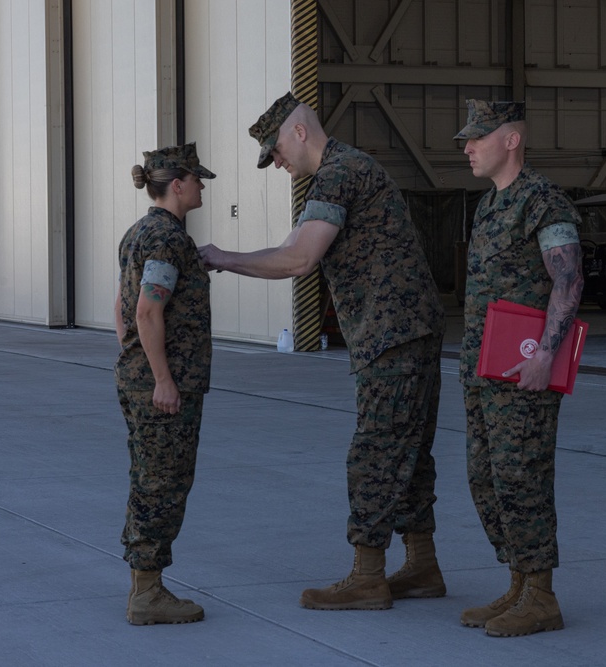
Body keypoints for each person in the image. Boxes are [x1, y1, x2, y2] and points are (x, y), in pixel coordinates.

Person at [198, 92, 446, 611]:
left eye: (277, 151)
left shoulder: (339, 172)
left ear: (300, 131)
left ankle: (368, 576)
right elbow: (292, 246)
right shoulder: (346, 170)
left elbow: (298, 259)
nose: (278, 163)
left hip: (391, 334)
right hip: (407, 330)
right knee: (408, 453)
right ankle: (421, 566)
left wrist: (222, 256)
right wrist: (230, 259)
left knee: (374, 454)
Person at [455, 100, 584, 637]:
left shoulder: (541, 200)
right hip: (483, 370)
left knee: (522, 478)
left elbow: (569, 280)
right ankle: (517, 583)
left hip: (522, 370)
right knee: (486, 479)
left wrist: (545, 356)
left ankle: (542, 595)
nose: (467, 147)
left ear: (512, 139)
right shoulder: (490, 204)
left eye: (478, 138)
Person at [115, 142, 216, 625]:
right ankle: (148, 593)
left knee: (149, 479)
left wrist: (133, 358)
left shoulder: (138, 233)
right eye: (197, 180)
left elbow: (122, 309)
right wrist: (162, 380)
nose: (201, 187)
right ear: (177, 184)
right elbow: (146, 309)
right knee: (164, 484)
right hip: (163, 387)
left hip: (142, 379)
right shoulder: (168, 239)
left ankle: (145, 584)